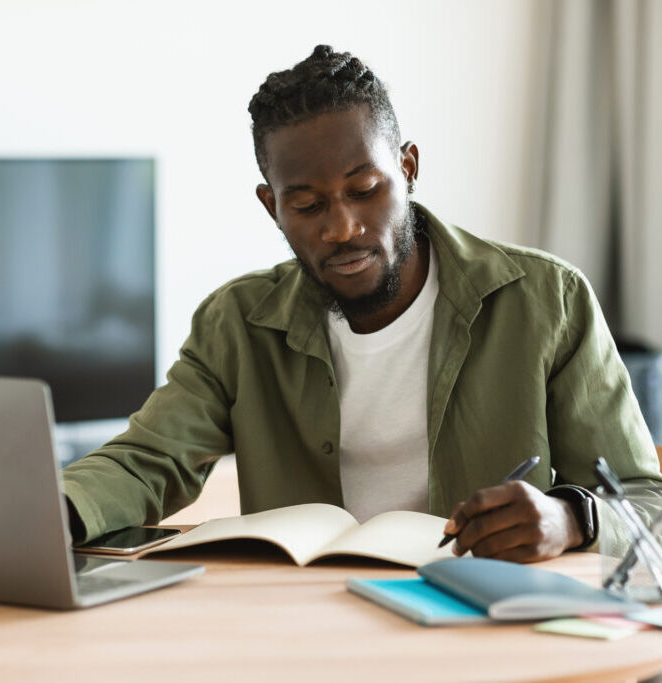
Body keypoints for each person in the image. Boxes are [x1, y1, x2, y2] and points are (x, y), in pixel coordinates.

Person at [64, 45, 662, 562]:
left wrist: (571, 519)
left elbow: (646, 502)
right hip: (309, 627)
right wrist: (50, 511)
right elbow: (146, 461)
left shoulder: (546, 299)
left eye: (365, 190)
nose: (342, 228)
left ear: (408, 168)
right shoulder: (236, 323)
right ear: (271, 206)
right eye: (307, 205)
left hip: (484, 616)